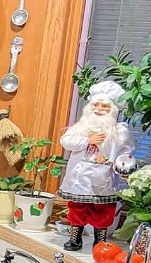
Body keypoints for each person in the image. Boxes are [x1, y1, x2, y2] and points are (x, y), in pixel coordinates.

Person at [58, 80, 136, 251]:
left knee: (103, 210)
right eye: (96, 104)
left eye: (104, 106)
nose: (99, 109)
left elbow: (125, 152)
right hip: (79, 178)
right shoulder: (81, 127)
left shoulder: (119, 131)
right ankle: (75, 237)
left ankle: (99, 241)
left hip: (103, 180)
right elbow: (66, 141)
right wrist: (87, 141)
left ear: (113, 109)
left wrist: (125, 165)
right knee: (77, 209)